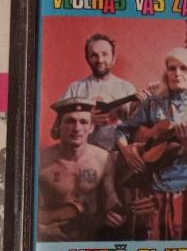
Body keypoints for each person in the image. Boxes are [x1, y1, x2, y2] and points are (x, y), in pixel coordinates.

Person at [116, 47, 187, 240]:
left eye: (183, 68)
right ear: (166, 73)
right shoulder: (152, 103)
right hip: (150, 186)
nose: (177, 73)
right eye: (172, 68)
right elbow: (122, 130)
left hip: (186, 190)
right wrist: (126, 150)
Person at [38, 98, 124, 241]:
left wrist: (117, 213)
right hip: (53, 234)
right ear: (59, 125)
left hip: (91, 233)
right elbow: (27, 209)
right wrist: (44, 229)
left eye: (83, 122)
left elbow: (110, 196)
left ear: (91, 127)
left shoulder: (103, 159)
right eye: (70, 121)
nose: (77, 128)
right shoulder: (41, 160)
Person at [60, 33, 138, 150]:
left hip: (119, 155)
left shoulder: (128, 88)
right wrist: (86, 120)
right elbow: (56, 131)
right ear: (87, 59)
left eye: (105, 54)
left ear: (113, 58)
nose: (100, 60)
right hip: (84, 156)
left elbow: (136, 129)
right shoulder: (75, 88)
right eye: (94, 55)